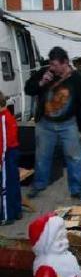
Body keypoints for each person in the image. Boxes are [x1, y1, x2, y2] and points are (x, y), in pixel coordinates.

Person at [24, 46, 81, 199]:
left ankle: (76, 189)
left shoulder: (77, 78)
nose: (51, 68)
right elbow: (28, 89)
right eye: (50, 64)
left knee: (74, 157)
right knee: (42, 156)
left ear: (65, 63)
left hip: (68, 124)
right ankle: (39, 185)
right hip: (45, 124)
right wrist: (41, 83)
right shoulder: (45, 73)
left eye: (55, 65)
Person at [0, 92, 21, 225]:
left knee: (5, 186)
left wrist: (1, 160)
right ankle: (16, 210)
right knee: (13, 183)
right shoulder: (8, 116)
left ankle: (7, 216)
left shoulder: (3, 118)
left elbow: (4, 142)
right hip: (11, 153)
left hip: (6, 155)